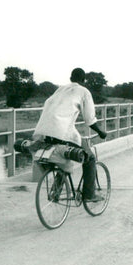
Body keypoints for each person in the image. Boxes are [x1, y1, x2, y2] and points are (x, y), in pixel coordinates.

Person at [32, 67, 107, 201]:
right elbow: (90, 119)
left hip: (41, 132)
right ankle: (89, 195)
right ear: (83, 80)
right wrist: (101, 132)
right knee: (89, 158)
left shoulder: (60, 89)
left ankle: (56, 191)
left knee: (64, 157)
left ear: (71, 78)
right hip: (61, 131)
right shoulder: (83, 91)